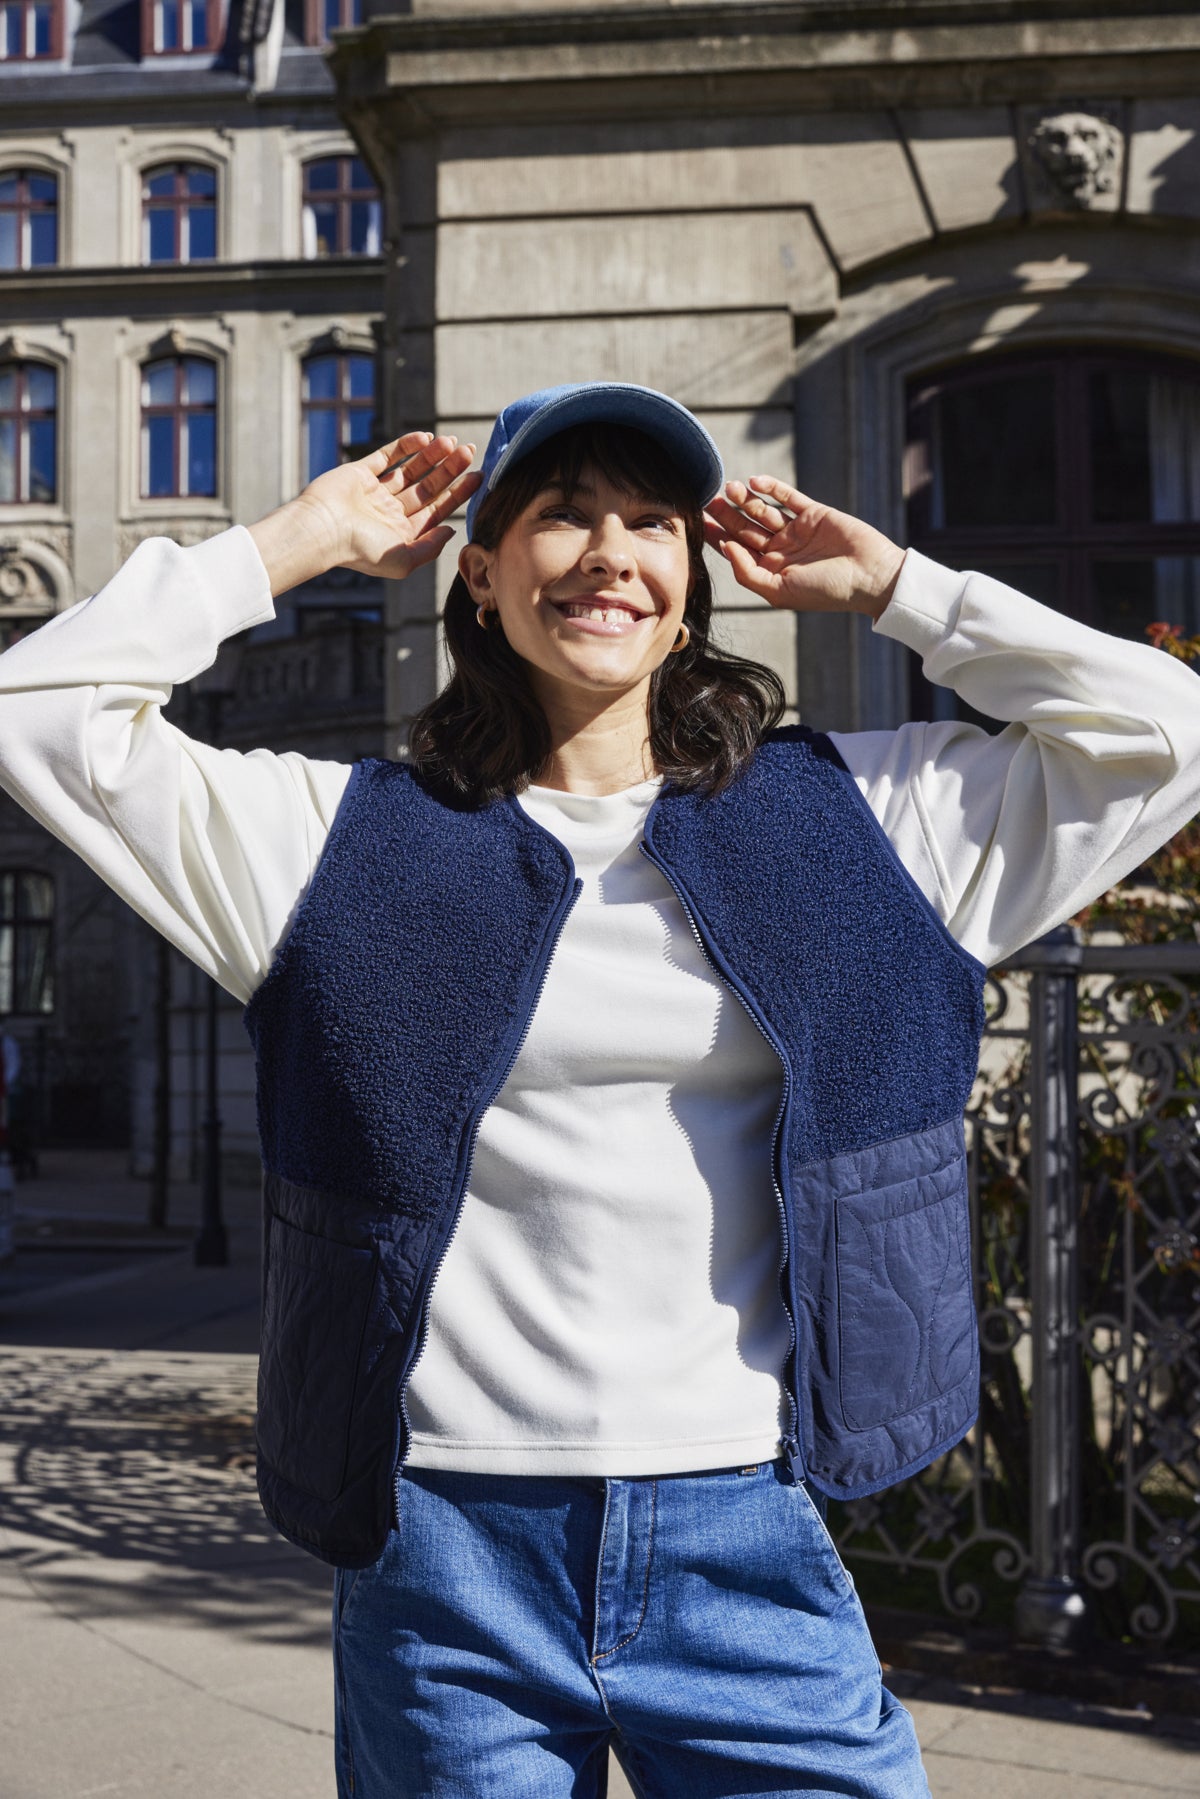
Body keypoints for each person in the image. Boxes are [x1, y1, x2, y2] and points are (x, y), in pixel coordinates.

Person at [0, 381, 1197, 1799]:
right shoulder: (330, 840)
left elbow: (1163, 733)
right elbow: (35, 711)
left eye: (651, 523)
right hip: (445, 1545)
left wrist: (898, 589)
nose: (610, 554)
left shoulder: (869, 819)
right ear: (482, 575)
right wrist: (297, 542)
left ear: (691, 589)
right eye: (562, 517)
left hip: (746, 1519)